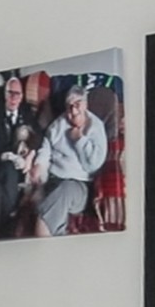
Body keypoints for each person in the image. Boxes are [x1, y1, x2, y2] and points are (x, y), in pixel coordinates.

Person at [36, 82, 110, 235]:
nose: (73, 110)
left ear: (86, 104)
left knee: (65, 190)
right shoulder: (57, 125)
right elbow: (45, 149)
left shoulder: (96, 127)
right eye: (69, 106)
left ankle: (41, 228)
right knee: (54, 199)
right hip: (53, 180)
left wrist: (79, 140)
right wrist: (39, 165)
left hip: (79, 186)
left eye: (77, 104)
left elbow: (94, 165)